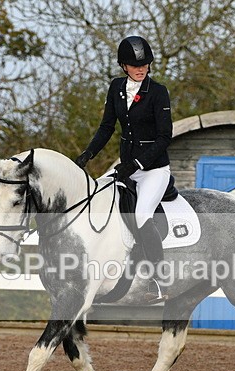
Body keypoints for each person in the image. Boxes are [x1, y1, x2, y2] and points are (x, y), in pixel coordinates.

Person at [74, 36, 173, 302]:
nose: (140, 68)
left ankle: (160, 281)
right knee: (95, 199)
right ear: (123, 66)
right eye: (133, 64)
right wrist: (88, 154)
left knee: (142, 215)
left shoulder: (158, 91)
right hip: (126, 167)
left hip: (153, 170)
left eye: (144, 64)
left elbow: (165, 136)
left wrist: (138, 164)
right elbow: (107, 127)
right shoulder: (116, 88)